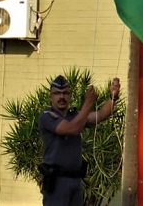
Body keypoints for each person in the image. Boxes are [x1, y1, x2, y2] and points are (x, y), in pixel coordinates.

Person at [39, 74, 120, 206]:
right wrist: (88, 103)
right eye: (57, 93)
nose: (61, 97)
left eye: (65, 93)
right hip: (57, 183)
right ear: (50, 97)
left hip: (75, 180)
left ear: (70, 96)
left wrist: (113, 97)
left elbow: (100, 115)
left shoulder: (75, 115)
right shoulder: (47, 116)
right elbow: (71, 129)